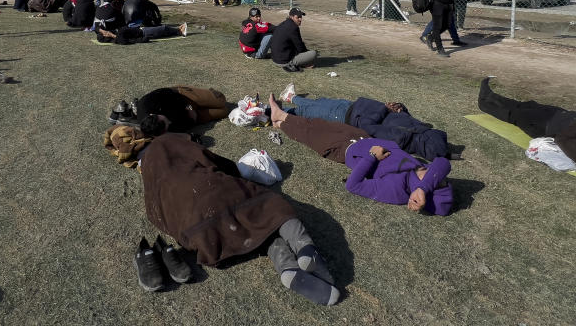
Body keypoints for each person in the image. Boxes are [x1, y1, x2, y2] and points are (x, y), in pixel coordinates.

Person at [139, 134, 339, 304]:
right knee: (271, 208)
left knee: (260, 231)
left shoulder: (149, 177)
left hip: (203, 235)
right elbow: (214, 160)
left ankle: (287, 268)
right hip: (216, 194)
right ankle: (304, 247)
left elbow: (155, 215)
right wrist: (234, 172)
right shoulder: (172, 141)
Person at [268, 96, 453, 215]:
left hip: (344, 151)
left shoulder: (397, 190)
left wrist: (372, 157)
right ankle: (280, 119)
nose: (430, 171)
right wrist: (425, 186)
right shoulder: (424, 174)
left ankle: (281, 119)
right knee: (316, 123)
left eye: (435, 180)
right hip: (361, 136)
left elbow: (353, 185)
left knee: (309, 134)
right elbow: (442, 163)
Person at [271, 85, 449, 160]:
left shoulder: (400, 140)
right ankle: (290, 97)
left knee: (308, 113)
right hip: (357, 107)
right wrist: (399, 108)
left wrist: (383, 110)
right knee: (320, 103)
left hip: (347, 118)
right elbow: (401, 117)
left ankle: (269, 113)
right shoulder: (417, 129)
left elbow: (369, 130)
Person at [270, 8, 317, 73]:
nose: (300, 19)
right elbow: (300, 48)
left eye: (301, 17)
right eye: (298, 17)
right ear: (291, 17)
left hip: (275, 59)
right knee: (313, 53)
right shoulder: (293, 27)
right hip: (283, 61)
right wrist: (307, 57)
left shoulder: (283, 23)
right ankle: (296, 64)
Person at [95, 22, 187, 44]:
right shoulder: (117, 38)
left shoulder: (115, 33)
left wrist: (102, 31)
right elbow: (126, 41)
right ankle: (179, 31)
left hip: (142, 29)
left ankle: (177, 30)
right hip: (144, 33)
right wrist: (111, 35)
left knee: (163, 31)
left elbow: (96, 27)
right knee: (163, 29)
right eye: (105, 34)